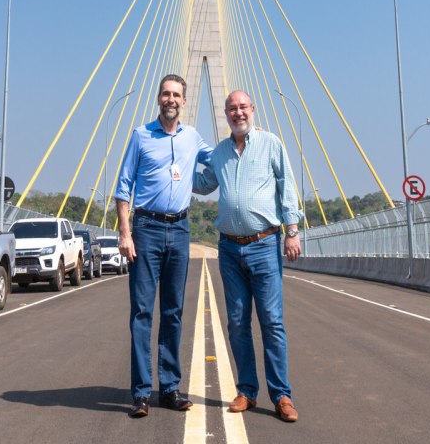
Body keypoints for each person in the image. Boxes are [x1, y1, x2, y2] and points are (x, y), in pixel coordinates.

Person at [194, 90, 302, 422]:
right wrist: (173, 167)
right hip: (228, 247)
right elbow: (204, 183)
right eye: (232, 109)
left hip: (264, 244)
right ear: (224, 114)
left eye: (243, 107)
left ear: (252, 110)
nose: (238, 113)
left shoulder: (271, 143)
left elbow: (286, 186)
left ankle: (282, 396)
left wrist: (292, 230)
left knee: (271, 322)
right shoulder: (220, 153)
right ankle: (246, 391)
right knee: (238, 322)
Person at [114, 74, 211, 418]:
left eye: (177, 95)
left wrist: (250, 141)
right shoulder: (141, 136)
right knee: (142, 312)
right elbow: (124, 187)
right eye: (166, 94)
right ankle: (141, 393)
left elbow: (224, 162)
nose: (171, 99)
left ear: (184, 101)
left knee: (173, 312)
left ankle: (169, 388)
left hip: (180, 229)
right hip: (147, 228)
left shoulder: (193, 139)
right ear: (159, 98)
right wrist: (125, 233)